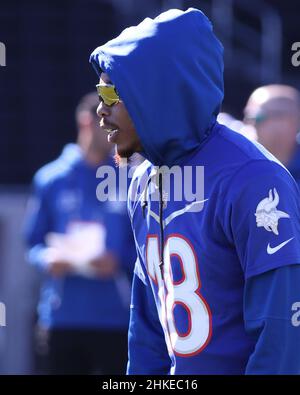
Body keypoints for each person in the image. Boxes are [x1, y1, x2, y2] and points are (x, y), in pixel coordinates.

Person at [90, 8, 300, 374]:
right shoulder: (142, 181)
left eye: (110, 93)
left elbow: (281, 331)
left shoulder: (253, 178)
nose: (100, 110)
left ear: (154, 93)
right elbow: (148, 332)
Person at [24, 93, 135, 375]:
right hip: (63, 318)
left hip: (117, 319)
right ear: (88, 122)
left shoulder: (130, 177)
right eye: (107, 124)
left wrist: (119, 260)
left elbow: (146, 242)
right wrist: (48, 259)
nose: (113, 132)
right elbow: (33, 242)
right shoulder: (51, 178)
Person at [244, 84, 300, 184]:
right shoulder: (236, 163)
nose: (251, 123)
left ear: (291, 120)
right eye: (248, 116)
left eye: (258, 117)